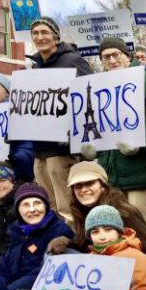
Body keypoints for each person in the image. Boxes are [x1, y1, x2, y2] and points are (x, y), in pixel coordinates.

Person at [80, 37, 146, 240]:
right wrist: (91, 146)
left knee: (140, 227)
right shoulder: (96, 86)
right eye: (106, 57)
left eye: (117, 55)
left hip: (140, 169)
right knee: (113, 227)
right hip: (110, 171)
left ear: (127, 56)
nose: (112, 60)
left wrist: (140, 143)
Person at [47, 161, 146, 290]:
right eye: (78, 186)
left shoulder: (124, 212)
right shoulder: (80, 211)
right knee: (55, 254)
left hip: (128, 275)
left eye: (90, 183)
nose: (84, 190)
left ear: (103, 186)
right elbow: (85, 247)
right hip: (97, 272)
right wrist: (67, 243)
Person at [29, 16, 93, 223]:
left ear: (55, 36)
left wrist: (74, 134)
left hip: (61, 148)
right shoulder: (34, 69)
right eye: (36, 33)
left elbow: (89, 96)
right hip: (39, 150)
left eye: (44, 32)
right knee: (48, 206)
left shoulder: (73, 61)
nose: (40, 37)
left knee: (67, 207)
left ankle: (74, 247)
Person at [0, 73, 34, 183]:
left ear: (7, 92)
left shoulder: (19, 113)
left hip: (16, 177)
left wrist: (16, 158)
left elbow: (28, 147)